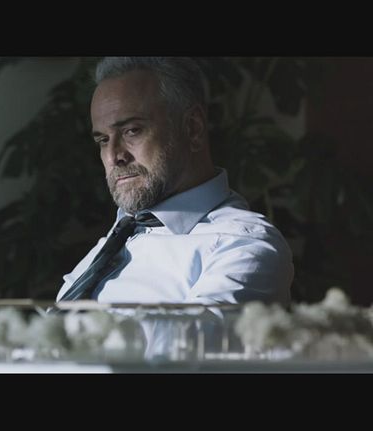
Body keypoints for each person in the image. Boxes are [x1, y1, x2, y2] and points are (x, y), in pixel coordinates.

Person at [56, 57, 294, 307]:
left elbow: (188, 334)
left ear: (192, 128)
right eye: (103, 140)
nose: (114, 156)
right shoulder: (115, 239)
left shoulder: (242, 245)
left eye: (132, 131)